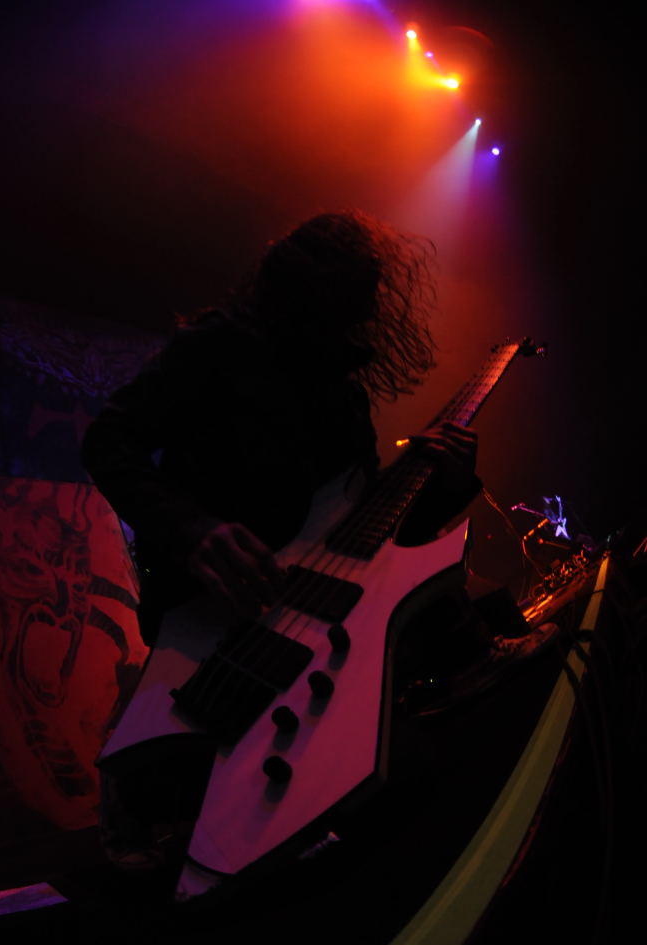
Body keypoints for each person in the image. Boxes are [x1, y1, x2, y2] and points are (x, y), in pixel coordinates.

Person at [82, 209, 557, 870]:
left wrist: (442, 482)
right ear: (306, 292)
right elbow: (109, 440)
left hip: (314, 611)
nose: (363, 318)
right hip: (214, 614)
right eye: (349, 300)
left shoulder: (343, 398)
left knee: (423, 749)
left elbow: (368, 536)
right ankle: (149, 795)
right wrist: (194, 532)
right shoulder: (215, 348)